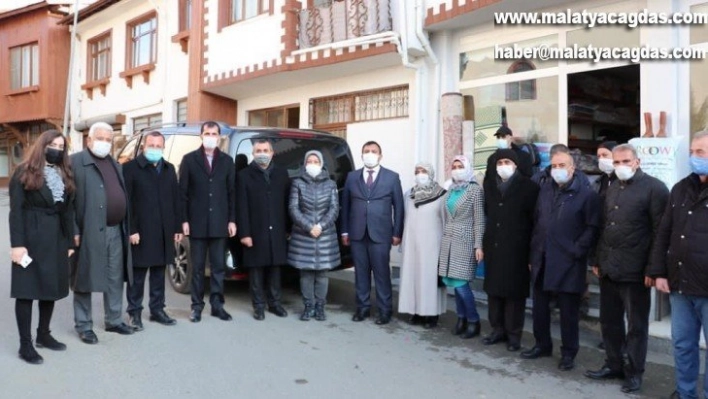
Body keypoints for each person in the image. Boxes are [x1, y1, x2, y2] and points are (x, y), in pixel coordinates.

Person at [584, 144, 668, 394]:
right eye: (616, 162)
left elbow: (660, 233)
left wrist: (653, 270)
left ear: (637, 162)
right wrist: (597, 260)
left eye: (625, 161)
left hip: (636, 271)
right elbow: (603, 227)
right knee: (609, 322)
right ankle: (613, 364)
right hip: (609, 267)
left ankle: (634, 373)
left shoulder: (655, 188)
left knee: (636, 326)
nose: (620, 166)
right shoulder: (611, 188)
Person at [522, 148, 601, 371]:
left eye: (562, 166)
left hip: (568, 260)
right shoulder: (544, 189)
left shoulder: (586, 194)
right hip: (542, 257)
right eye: (554, 166)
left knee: (568, 311)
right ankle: (542, 344)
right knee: (539, 307)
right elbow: (536, 222)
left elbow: (591, 228)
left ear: (572, 168)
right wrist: (533, 254)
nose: (557, 170)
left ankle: (568, 353)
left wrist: (577, 251)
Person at [648, 131, 708, 399]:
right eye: (693, 152)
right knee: (683, 345)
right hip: (680, 283)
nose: (694, 157)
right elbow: (664, 231)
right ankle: (686, 393)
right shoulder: (681, 188)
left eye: (701, 152)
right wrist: (658, 271)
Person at [9, 130, 75, 364]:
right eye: (53, 144)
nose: (57, 148)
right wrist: (17, 245)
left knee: (51, 289)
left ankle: (43, 335)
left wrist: (69, 242)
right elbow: (15, 212)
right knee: (27, 291)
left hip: (56, 239)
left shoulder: (64, 172)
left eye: (61, 145)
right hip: (30, 239)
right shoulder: (24, 171)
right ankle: (25, 345)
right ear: (42, 145)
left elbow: (68, 211)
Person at [71, 122, 134, 344]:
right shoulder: (75, 162)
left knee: (115, 277)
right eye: (100, 138)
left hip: (116, 230)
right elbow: (67, 201)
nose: (105, 143)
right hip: (88, 231)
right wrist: (73, 230)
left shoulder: (114, 164)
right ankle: (84, 325)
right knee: (84, 277)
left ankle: (114, 320)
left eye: (109, 139)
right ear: (89, 140)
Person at [123, 131, 183, 330]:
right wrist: (131, 229)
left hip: (164, 231)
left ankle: (157, 310)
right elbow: (127, 203)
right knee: (138, 275)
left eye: (159, 146)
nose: (155, 149)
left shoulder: (168, 168)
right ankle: (134, 312)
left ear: (163, 147)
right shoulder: (130, 169)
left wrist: (177, 227)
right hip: (140, 231)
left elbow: (176, 199)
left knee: (159, 272)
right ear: (143, 147)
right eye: (151, 145)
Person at [341, 141, 404, 325]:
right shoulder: (352, 177)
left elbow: (398, 207)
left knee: (382, 273)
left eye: (373, 151)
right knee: (360, 272)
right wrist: (345, 231)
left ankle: (385, 310)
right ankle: (362, 308)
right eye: (366, 151)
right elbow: (346, 206)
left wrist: (397, 232)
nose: (370, 154)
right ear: (362, 155)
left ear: (380, 155)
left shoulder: (392, 177)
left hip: (381, 234)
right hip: (357, 234)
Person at [179, 121, 236, 323]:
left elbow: (232, 193)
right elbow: (183, 193)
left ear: (220, 137)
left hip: (220, 223)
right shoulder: (189, 160)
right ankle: (196, 307)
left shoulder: (228, 162)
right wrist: (183, 220)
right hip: (197, 223)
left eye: (214, 133)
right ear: (201, 136)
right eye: (207, 133)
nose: (211, 136)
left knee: (219, 267)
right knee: (197, 267)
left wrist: (232, 220)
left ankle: (217, 306)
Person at [482, 149, 539, 351]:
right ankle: (497, 330)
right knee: (494, 292)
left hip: (517, 249)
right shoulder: (489, 185)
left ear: (515, 164)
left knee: (514, 295)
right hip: (494, 246)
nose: (503, 165)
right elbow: (488, 213)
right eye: (500, 162)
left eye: (507, 161)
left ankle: (514, 335)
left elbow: (534, 221)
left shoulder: (529, 187)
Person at [237, 139, 290, 320]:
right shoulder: (244, 175)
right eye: (258, 150)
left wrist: (288, 229)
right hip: (255, 230)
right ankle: (258, 305)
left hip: (277, 229)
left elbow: (286, 203)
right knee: (256, 270)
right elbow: (241, 207)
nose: (262, 153)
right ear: (253, 154)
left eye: (265, 150)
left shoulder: (282, 174)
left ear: (272, 153)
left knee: (275, 269)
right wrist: (244, 233)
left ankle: (275, 303)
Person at [287, 150, 340, 321]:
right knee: (306, 274)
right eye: (309, 161)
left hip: (325, 236)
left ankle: (320, 307)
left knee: (322, 274)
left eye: (315, 161)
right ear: (304, 164)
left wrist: (321, 226)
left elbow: (334, 208)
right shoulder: (297, 183)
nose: (312, 163)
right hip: (304, 235)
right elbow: (293, 208)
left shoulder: (331, 184)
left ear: (321, 163)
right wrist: (309, 226)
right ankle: (308, 306)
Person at [439, 156, 485, 339]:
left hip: (465, 241)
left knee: (462, 284)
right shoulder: (450, 189)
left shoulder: (474, 190)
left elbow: (479, 220)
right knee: (453, 283)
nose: (457, 169)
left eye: (460, 166)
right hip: (449, 240)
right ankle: (461, 318)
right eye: (454, 166)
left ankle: (474, 320)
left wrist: (478, 245)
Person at [398, 162, 447, 329]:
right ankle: (416, 311)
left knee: (429, 278)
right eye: (417, 171)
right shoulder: (409, 194)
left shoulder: (441, 194)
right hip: (412, 242)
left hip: (432, 243)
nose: (420, 174)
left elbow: (445, 220)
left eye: (424, 171)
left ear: (431, 173)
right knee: (414, 277)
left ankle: (431, 314)